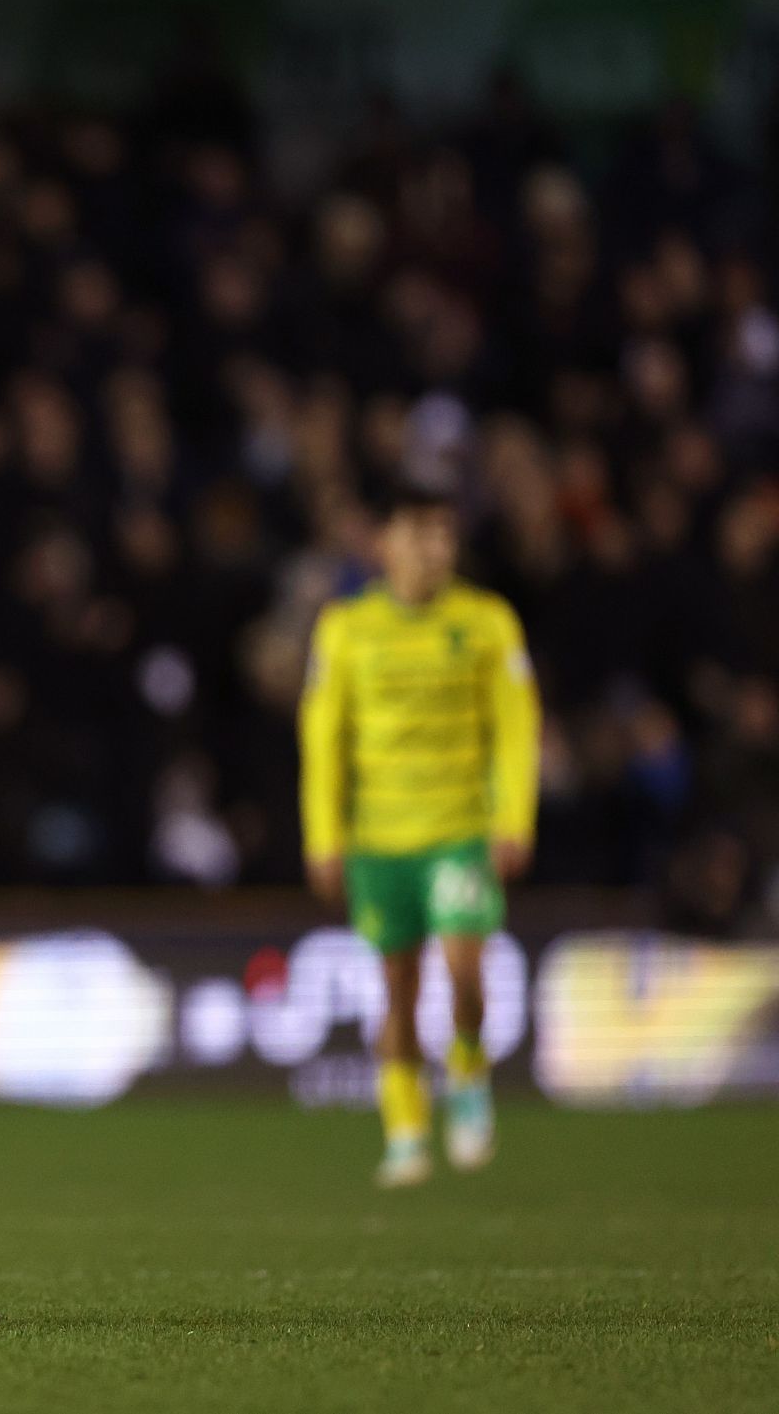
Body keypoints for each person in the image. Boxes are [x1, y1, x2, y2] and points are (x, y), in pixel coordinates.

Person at [298, 482, 541, 1189]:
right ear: (385, 543)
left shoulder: (489, 620)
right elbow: (323, 740)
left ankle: (467, 1065)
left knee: (465, 969)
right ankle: (405, 1132)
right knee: (397, 985)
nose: (434, 549)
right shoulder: (345, 627)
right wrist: (323, 837)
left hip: (459, 828)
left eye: (444, 535)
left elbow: (517, 727)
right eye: (418, 533)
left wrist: (513, 819)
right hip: (377, 837)